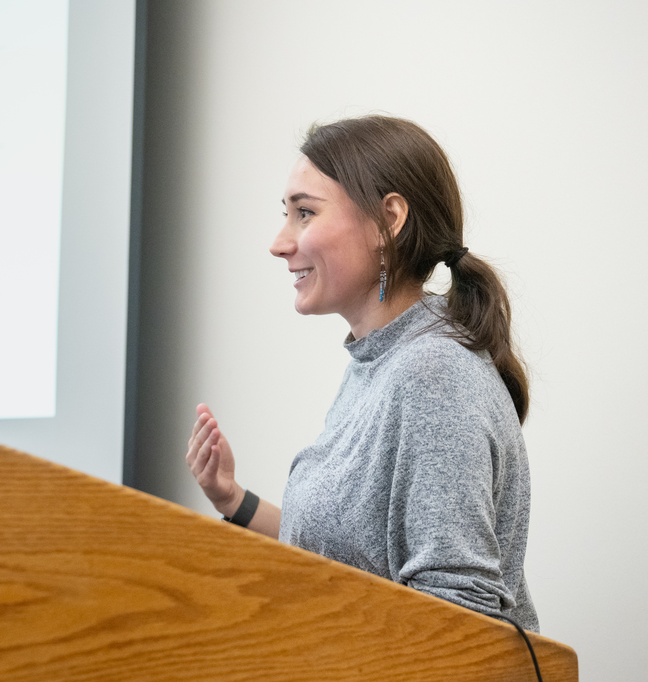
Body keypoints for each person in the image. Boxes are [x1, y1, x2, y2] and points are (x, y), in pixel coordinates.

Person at [185, 115, 538, 631]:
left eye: (304, 213)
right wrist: (233, 501)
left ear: (387, 220)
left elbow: (461, 616)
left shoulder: (432, 373)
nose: (279, 243)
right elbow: (352, 568)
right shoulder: (381, 361)